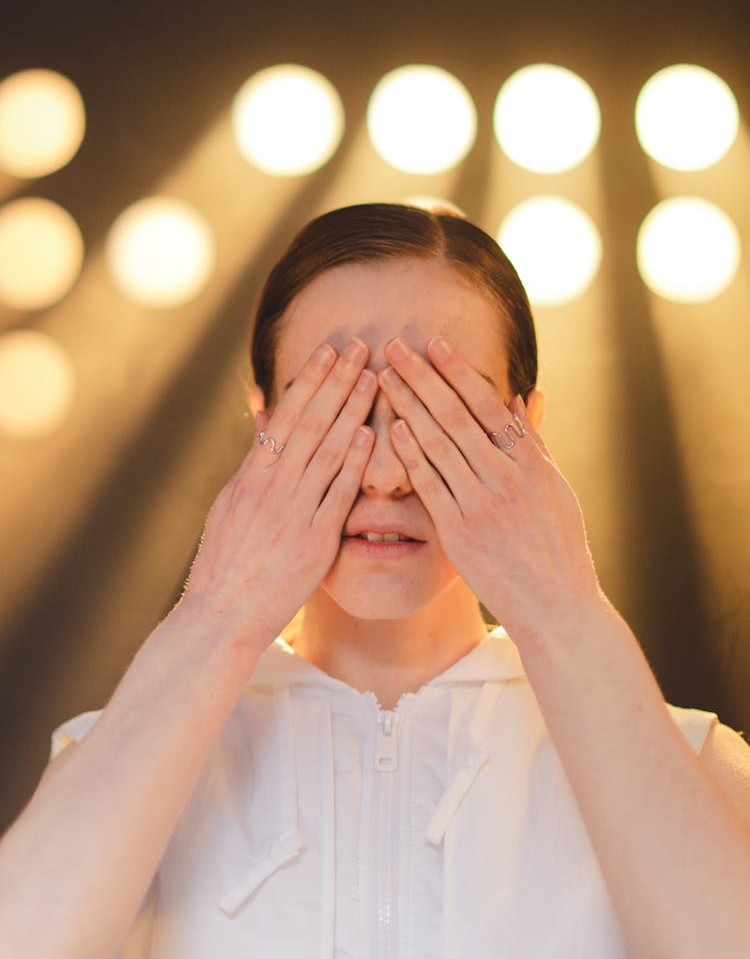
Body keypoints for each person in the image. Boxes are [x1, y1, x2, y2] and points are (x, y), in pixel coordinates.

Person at [0, 201, 748, 959]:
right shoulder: (125, 750)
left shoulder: (684, 758)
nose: (388, 474)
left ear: (526, 427)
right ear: (264, 424)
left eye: (440, 408)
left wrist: (563, 612)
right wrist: (218, 610)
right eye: (338, 410)